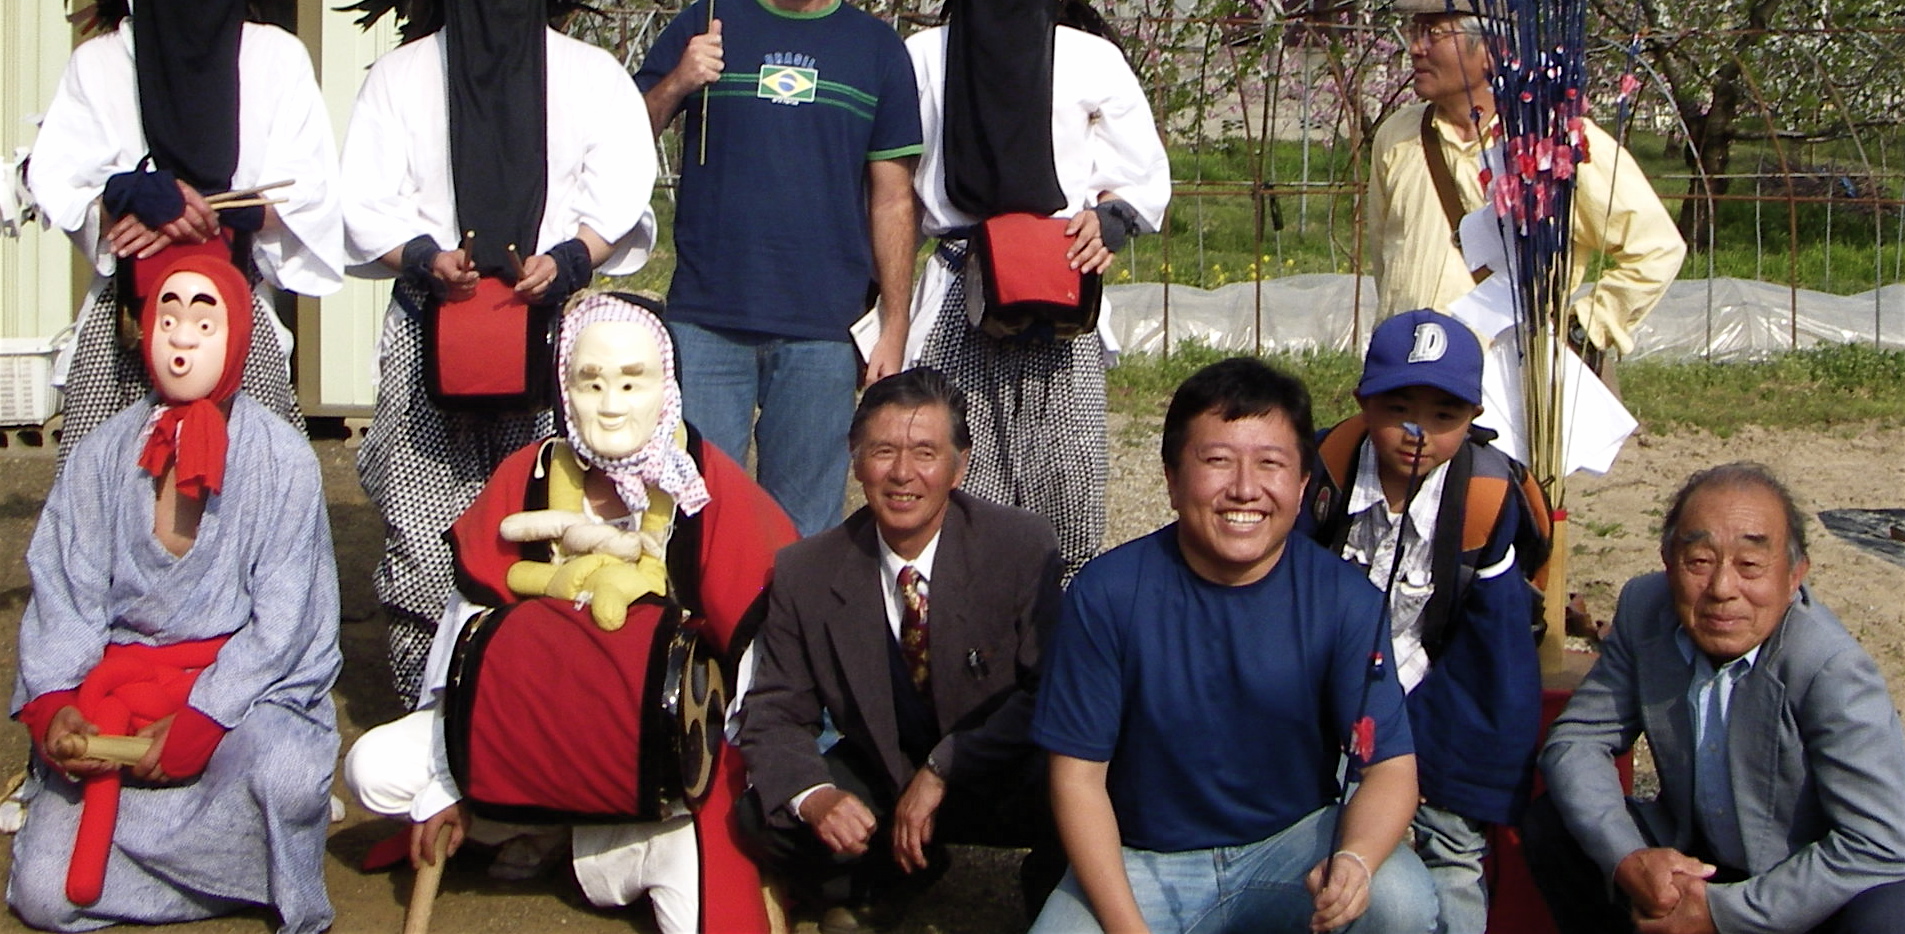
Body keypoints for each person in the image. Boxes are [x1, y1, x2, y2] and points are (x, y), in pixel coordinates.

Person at [341, 0, 659, 703]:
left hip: (551, 332)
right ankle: (432, 721)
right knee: (424, 522)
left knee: (551, 515)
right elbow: (362, 202)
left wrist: (571, 255)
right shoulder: (399, 76)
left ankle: (534, 723)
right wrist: (426, 255)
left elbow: (625, 186)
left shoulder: (592, 75)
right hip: (433, 329)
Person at [342, 293, 795, 934]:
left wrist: (732, 774)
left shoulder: (708, 488)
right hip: (529, 732)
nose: (611, 404)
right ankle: (542, 820)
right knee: (374, 771)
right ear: (564, 386)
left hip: (653, 759)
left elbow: (760, 663)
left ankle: (576, 835)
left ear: (666, 383)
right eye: (592, 381)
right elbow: (462, 639)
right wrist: (450, 778)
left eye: (632, 381)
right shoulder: (525, 477)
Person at [24, 0, 346, 463]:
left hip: (237, 311)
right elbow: (61, 181)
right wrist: (128, 195)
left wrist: (211, 213)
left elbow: (310, 197)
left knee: (258, 490)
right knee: (107, 495)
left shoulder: (274, 59)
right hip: (127, 324)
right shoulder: (101, 63)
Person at [881, 0, 1171, 580]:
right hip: (953, 293)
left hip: (1060, 303)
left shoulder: (1089, 59)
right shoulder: (920, 58)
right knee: (956, 497)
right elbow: (892, 188)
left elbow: (1143, 178)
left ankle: (1057, 671)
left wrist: (1106, 220)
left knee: (1065, 504)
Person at [1030, 356, 1438, 934]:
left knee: (1399, 899)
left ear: (1301, 486)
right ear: (1172, 479)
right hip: (1143, 856)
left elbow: (1391, 767)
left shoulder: (1345, 599)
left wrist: (1355, 861)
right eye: (1217, 461)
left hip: (1293, 843)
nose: (1245, 489)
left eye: (1270, 464)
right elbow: (1076, 779)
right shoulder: (1107, 594)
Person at [9, 251, 341, 934]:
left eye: (203, 316)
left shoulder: (283, 459)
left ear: (239, 333)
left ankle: (250, 868)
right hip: (121, 711)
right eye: (168, 315)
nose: (183, 336)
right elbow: (65, 593)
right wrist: (54, 709)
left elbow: (285, 624)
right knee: (44, 896)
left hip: (238, 705)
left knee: (282, 769)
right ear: (144, 330)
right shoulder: (102, 454)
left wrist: (204, 715)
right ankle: (243, 879)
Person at [637, 0, 922, 539]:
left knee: (803, 531)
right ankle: (701, 652)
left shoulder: (876, 50)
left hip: (823, 333)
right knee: (694, 521)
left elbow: (892, 199)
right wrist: (678, 81)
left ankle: (787, 652)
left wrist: (893, 324)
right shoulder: (704, 23)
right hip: (707, 322)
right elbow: (621, 139)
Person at [737, 367, 1064, 930]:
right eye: (883, 451)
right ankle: (894, 876)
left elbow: (1051, 692)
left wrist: (941, 770)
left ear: (959, 466)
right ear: (856, 460)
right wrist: (816, 798)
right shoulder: (806, 570)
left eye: (925, 453)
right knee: (762, 817)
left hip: (1004, 769)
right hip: (887, 774)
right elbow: (773, 712)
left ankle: (1053, 894)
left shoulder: (1019, 545)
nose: (903, 474)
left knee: (1099, 788)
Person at [1526, 463, 1905, 934]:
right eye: (1699, 562)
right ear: (1668, 561)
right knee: (1555, 823)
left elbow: (1879, 840)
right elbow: (1578, 740)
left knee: (1891, 911)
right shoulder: (1648, 610)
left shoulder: (1829, 667)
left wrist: (1723, 914)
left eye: (1750, 566)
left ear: (1794, 577)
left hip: (1800, 882)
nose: (1723, 590)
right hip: (1696, 861)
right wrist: (1630, 859)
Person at [1303, 310, 1543, 934]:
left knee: (1453, 852)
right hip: (1330, 694)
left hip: (1440, 695)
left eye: (1445, 417)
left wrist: (1456, 770)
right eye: (1398, 407)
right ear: (1362, 402)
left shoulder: (1485, 504)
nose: (1418, 431)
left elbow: (1494, 659)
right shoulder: (1321, 474)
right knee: (1332, 842)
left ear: (1473, 420)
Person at [1365, 0, 1685, 366]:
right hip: (1408, 371)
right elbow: (1385, 257)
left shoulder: (1558, 141)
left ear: (1492, 50)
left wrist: (1589, 325)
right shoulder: (1397, 135)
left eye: (1434, 34)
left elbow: (1655, 247)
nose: (1415, 48)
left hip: (1508, 376)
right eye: (1414, 32)